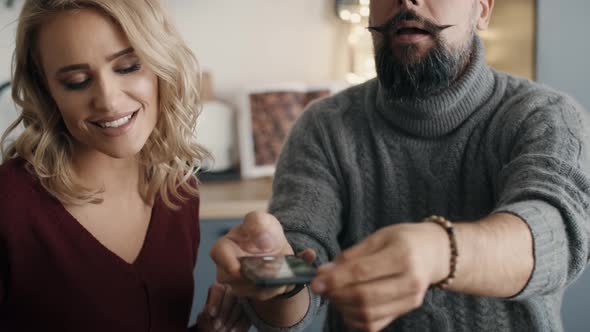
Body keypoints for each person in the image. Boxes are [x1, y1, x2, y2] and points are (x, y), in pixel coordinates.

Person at [211, 0, 590, 331]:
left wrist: (440, 253)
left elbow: (558, 235)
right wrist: (275, 273)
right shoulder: (324, 126)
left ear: (483, 9)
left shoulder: (544, 115)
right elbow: (300, 282)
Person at [0, 1, 249, 331]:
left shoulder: (178, 188)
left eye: (129, 66)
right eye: (76, 81)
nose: (109, 100)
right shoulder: (9, 207)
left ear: (162, 64)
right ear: (45, 89)